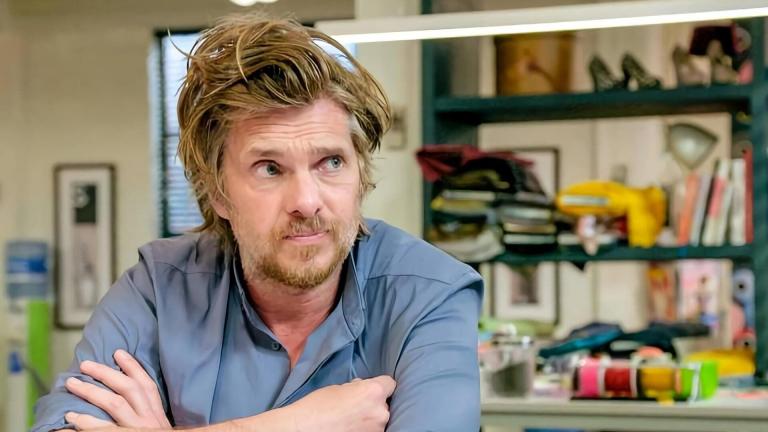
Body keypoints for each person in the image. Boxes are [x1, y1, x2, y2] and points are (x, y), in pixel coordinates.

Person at [32, 13, 482, 432]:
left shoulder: (430, 294)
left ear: (360, 175)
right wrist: (295, 424)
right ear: (216, 192)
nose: (306, 202)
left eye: (331, 162)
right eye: (269, 168)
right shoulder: (159, 289)